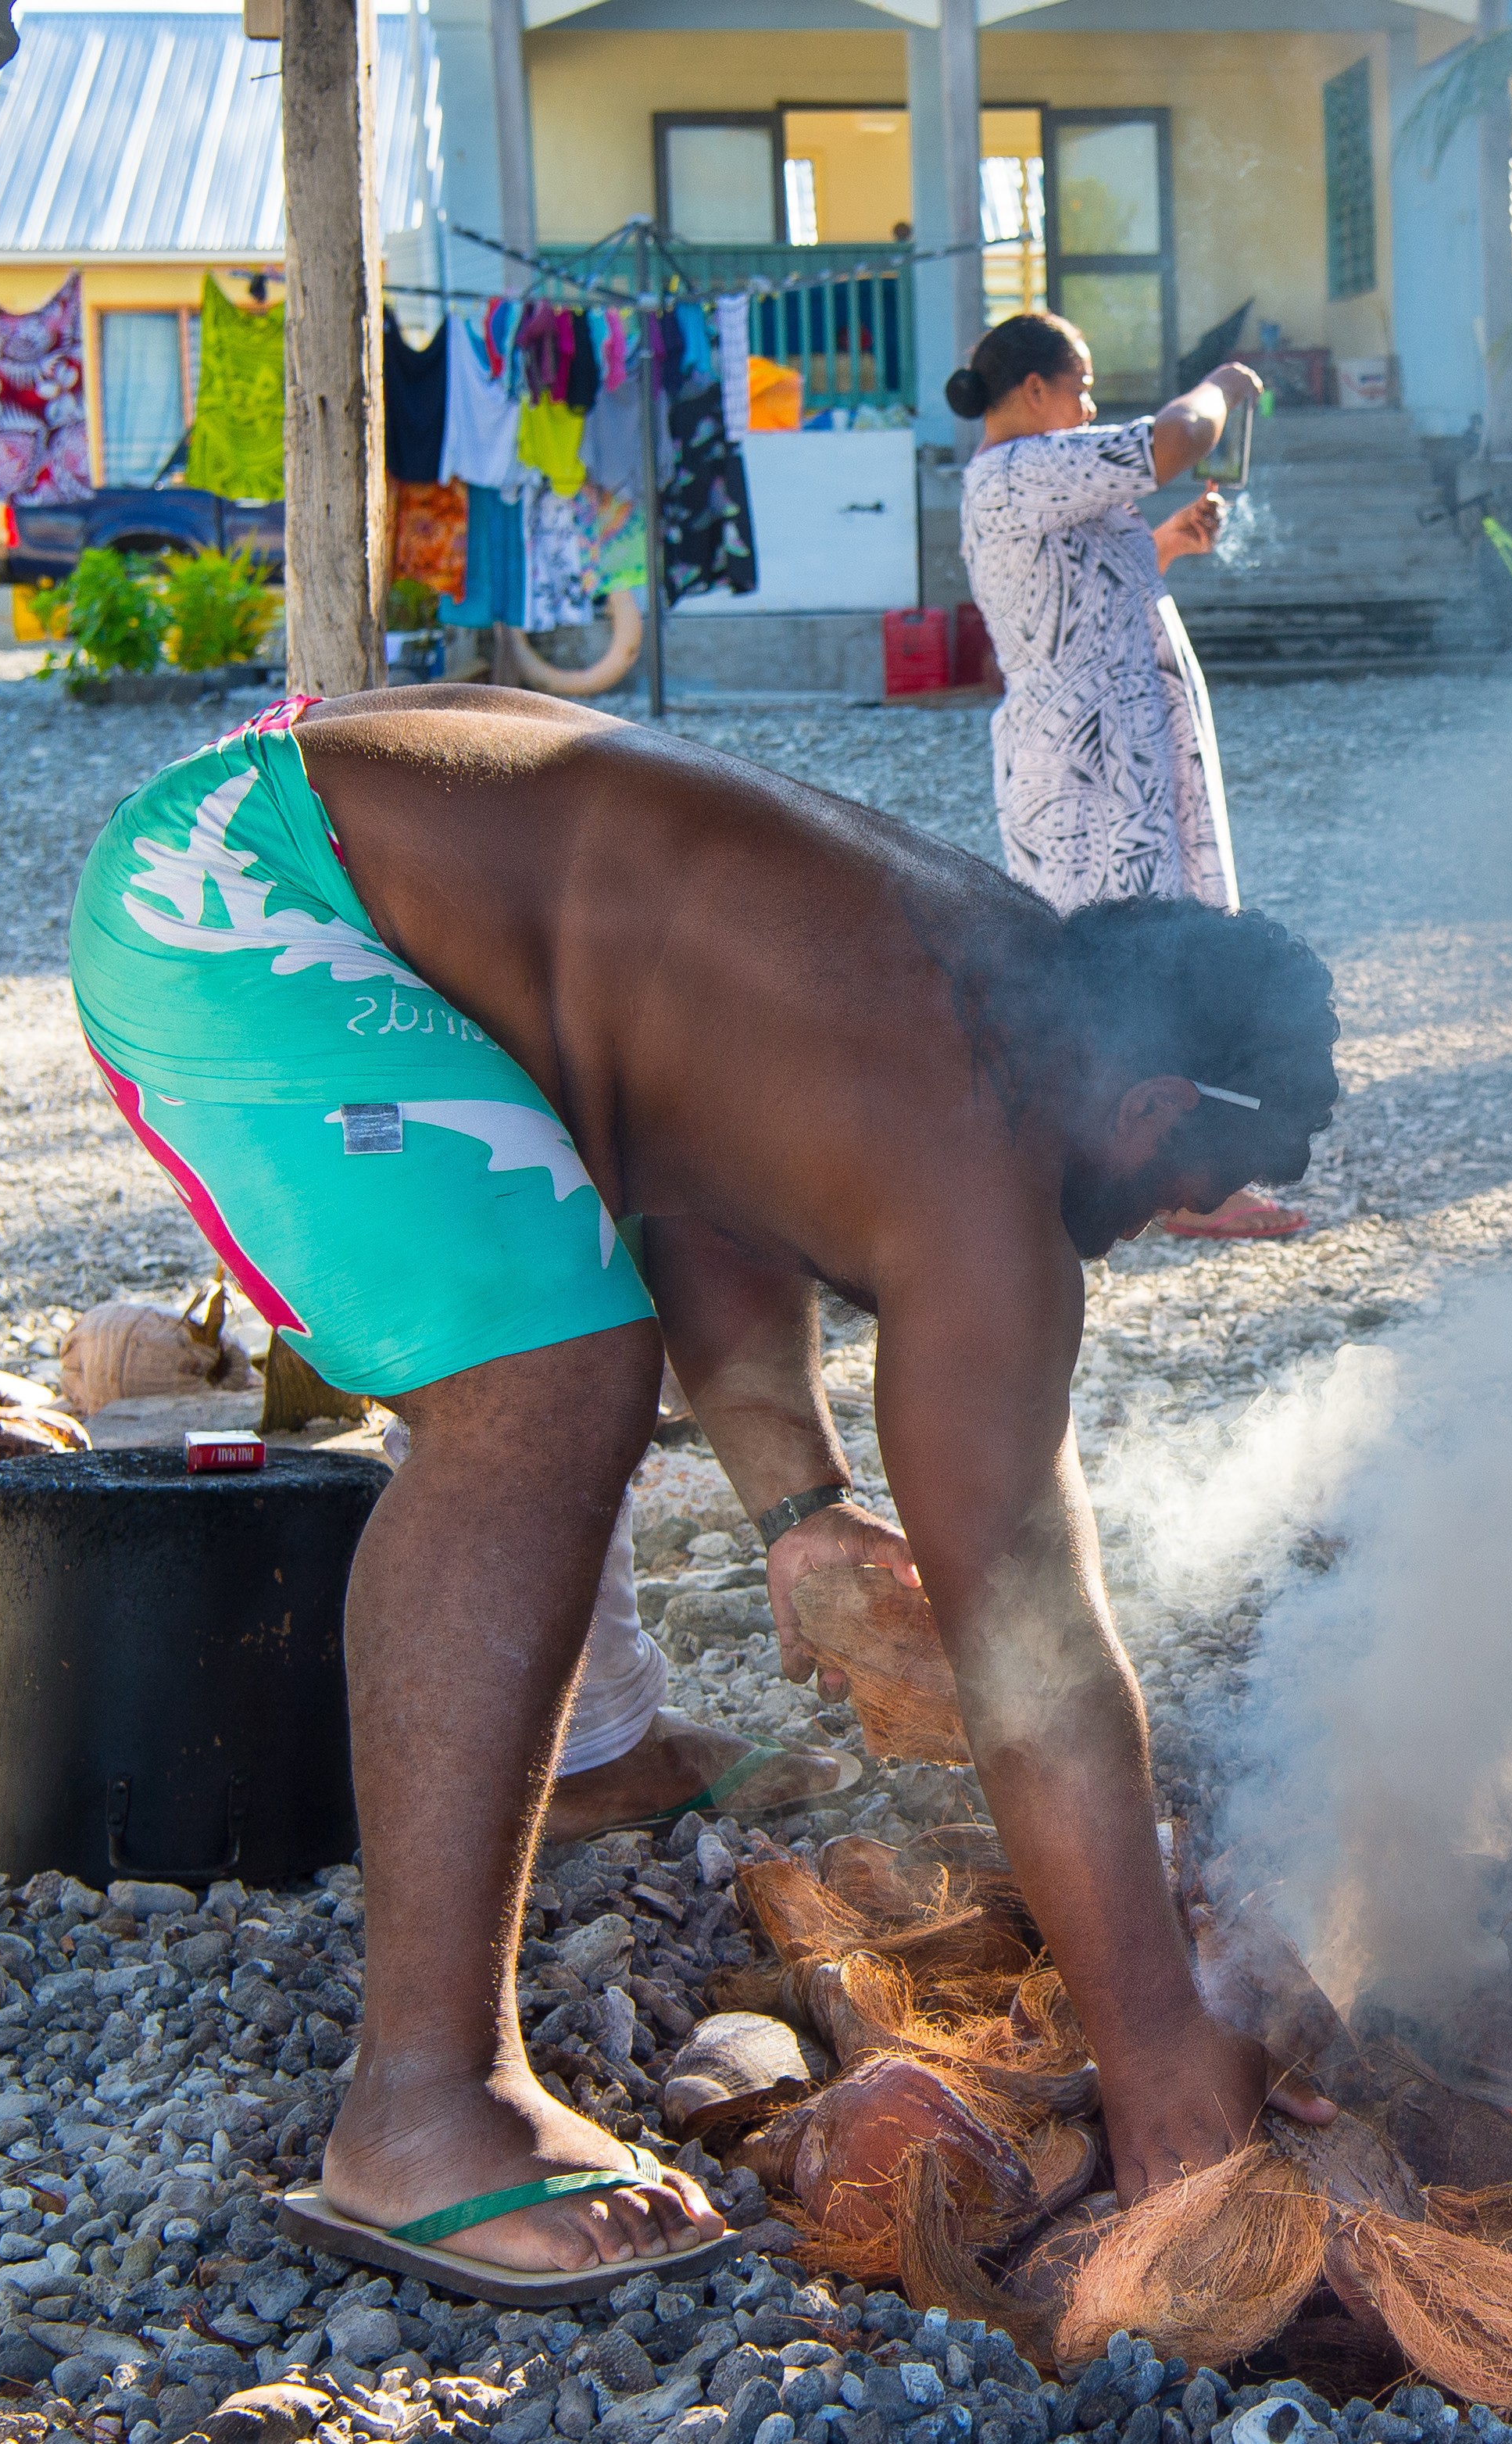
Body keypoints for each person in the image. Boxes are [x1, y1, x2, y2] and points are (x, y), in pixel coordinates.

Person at [66, 688, 1343, 2299]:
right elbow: (1029, 1646)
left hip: (273, 819)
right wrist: (1159, 2041)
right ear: (1152, 1109)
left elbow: (696, 1173)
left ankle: (485, 1976)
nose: (1160, 1226)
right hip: (247, 901)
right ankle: (418, 2115)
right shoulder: (988, 1185)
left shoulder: (998, 992)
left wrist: (799, 1510)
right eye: (1180, 1193)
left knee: (574, 1345)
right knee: (541, 1394)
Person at [953, 311, 1302, 1240]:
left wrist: (1172, 543)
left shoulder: (1029, 479)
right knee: (1127, 959)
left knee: (1146, 952)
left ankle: (1158, 1169)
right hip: (1085, 762)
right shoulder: (1021, 469)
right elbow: (1176, 438)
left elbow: (1078, 594)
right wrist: (1222, 388)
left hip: (1113, 751)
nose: (1089, 403)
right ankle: (1146, 1173)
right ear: (1033, 389)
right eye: (1082, 383)